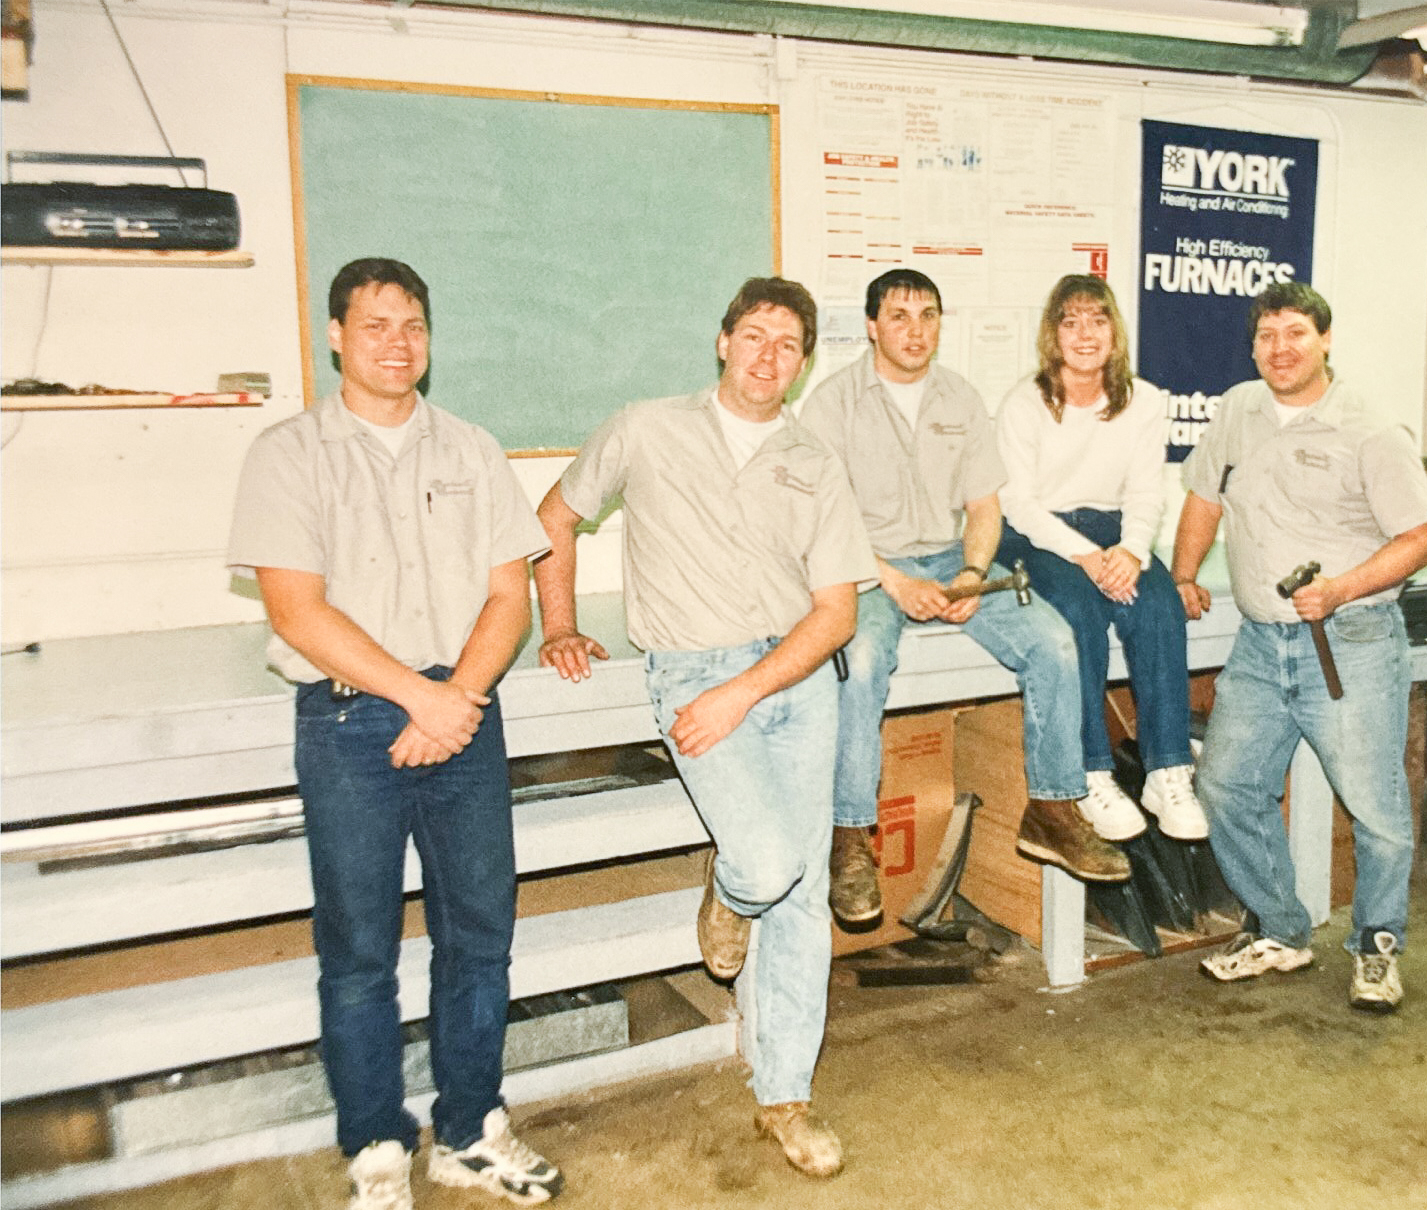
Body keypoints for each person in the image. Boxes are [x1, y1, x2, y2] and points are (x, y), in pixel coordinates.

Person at [227, 258, 563, 1209]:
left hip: (463, 710)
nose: (395, 343)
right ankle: (376, 1143)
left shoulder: (471, 449)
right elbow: (296, 609)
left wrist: (455, 694)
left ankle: (468, 1130)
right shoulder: (287, 454)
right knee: (361, 949)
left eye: (411, 324)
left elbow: (511, 595)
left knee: (479, 937)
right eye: (374, 325)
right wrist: (421, 701)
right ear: (335, 334)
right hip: (349, 723)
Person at [531, 278, 871, 1179]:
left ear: (803, 363)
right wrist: (558, 624)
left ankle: (785, 1095)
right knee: (769, 864)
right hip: (692, 673)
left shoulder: (815, 458)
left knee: (800, 898)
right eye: (753, 336)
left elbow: (836, 613)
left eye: (788, 344)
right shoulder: (647, 427)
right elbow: (554, 518)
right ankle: (732, 883)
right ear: (721, 342)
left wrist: (751, 690)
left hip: (796, 679)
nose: (768, 356)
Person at [800, 267, 1130, 927]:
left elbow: (984, 508)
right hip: (865, 563)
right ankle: (850, 838)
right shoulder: (831, 403)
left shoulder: (959, 397)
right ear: (872, 325)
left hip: (950, 556)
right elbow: (823, 523)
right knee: (861, 664)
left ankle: (1053, 809)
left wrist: (971, 575)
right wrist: (894, 582)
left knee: (1056, 642)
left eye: (927, 316)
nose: (915, 330)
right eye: (899, 315)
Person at [1171, 281, 1427, 1013]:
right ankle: (1282, 930)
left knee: (1376, 807)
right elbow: (1204, 495)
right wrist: (1184, 574)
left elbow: (1422, 537)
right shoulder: (1238, 408)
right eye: (1266, 336)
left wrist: (1346, 587)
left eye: (1295, 334)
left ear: (1325, 340)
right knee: (1224, 785)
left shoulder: (1370, 429)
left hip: (1348, 641)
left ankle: (1378, 946)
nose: (1280, 349)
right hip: (1262, 643)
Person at [994, 274, 1205, 841]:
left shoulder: (1143, 401)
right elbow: (1018, 503)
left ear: (1115, 331)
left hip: (1114, 530)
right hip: (1035, 535)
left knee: (1158, 606)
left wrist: (1133, 552)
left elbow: (1145, 491)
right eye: (1070, 321)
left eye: (1097, 319)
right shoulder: (1025, 402)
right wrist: (1089, 558)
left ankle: (1168, 770)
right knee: (1078, 616)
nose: (1085, 333)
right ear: (1052, 334)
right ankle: (1091, 774)